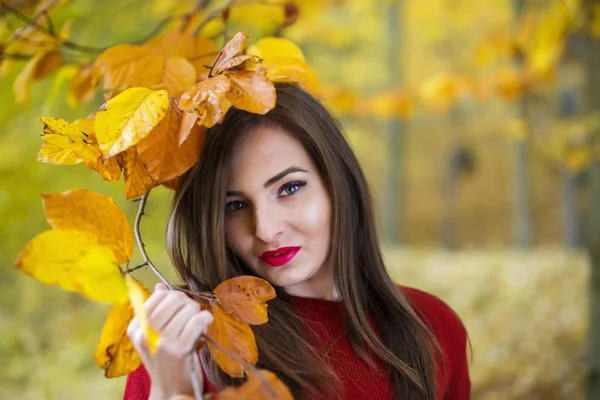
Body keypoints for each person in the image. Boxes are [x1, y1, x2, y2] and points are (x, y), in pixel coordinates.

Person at [124, 83, 471, 400]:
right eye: (234, 205)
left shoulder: (434, 325)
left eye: (289, 188)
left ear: (338, 184)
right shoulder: (181, 339)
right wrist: (171, 392)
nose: (265, 229)